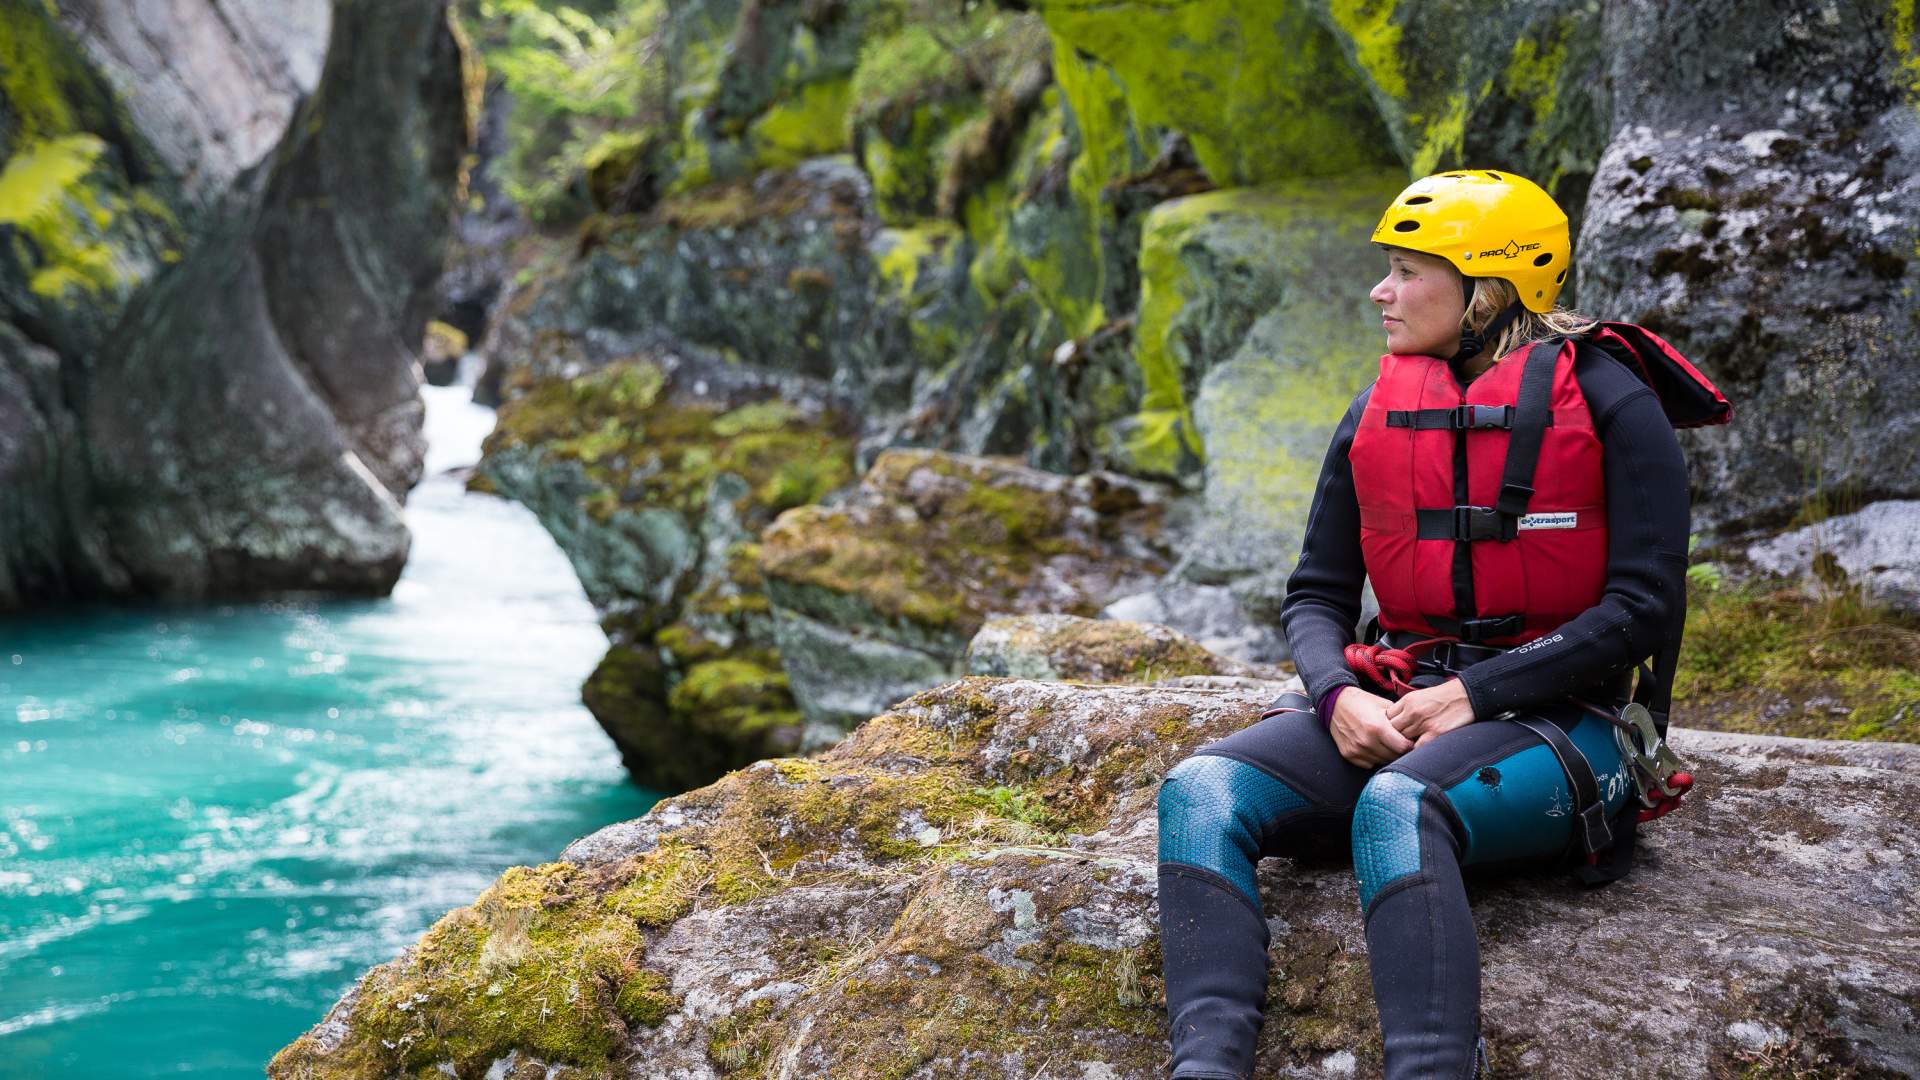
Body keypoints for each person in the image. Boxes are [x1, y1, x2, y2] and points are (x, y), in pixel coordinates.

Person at [1154, 169, 1728, 1079]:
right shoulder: (1376, 411)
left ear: (1488, 289)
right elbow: (1314, 595)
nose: (1381, 290)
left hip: (1568, 724)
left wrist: (1478, 693)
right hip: (1403, 705)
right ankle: (1206, 1065)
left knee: (1397, 805)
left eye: (1408, 270)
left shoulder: (1618, 404)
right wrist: (1338, 694)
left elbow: (1644, 608)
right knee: (1198, 792)